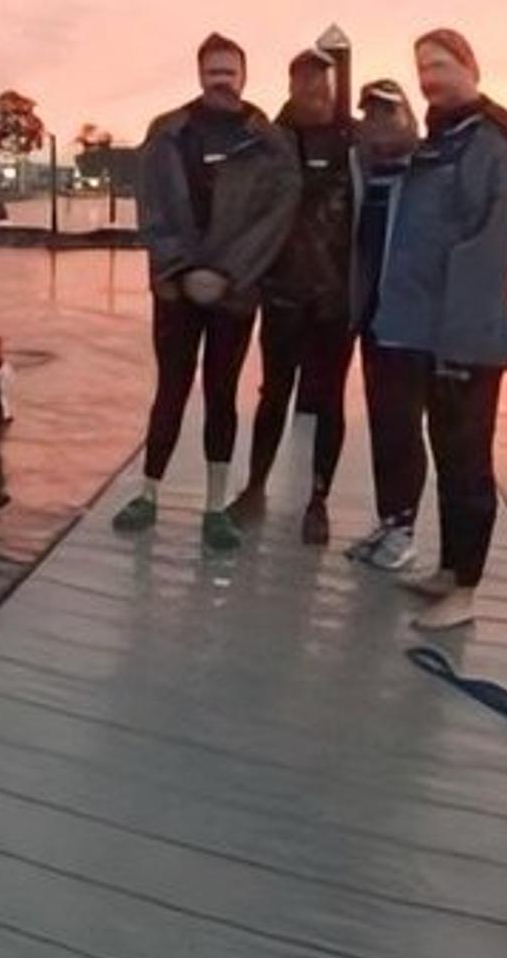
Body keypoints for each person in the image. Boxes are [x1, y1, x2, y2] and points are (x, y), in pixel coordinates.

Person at [368, 28, 507, 630]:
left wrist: (456, 344)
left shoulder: (492, 149)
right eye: (422, 68)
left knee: (468, 463)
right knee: (446, 453)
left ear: (472, 65)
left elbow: (489, 253)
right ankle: (446, 570)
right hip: (426, 330)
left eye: (441, 64)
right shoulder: (442, 142)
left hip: (467, 336)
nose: (431, 77)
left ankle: (465, 592)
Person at [114, 33, 301, 551]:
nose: (222, 78)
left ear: (244, 75)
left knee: (223, 394)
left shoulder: (269, 143)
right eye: (213, 70)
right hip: (175, 291)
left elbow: (276, 217)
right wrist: (180, 269)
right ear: (200, 74)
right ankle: (148, 493)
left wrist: (225, 273)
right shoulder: (167, 132)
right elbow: (150, 207)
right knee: (170, 390)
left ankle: (214, 507)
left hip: (234, 293)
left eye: (230, 71)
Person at [229, 47, 355, 545]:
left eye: (321, 82)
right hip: (282, 295)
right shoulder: (271, 140)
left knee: (329, 402)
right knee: (272, 396)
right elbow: (241, 203)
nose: (313, 91)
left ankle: (317, 500)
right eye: (304, 81)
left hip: (336, 300)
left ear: (330, 84)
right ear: (290, 85)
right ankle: (255, 488)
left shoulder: (356, 140)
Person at [342, 79, 427, 571]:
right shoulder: (363, 168)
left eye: (388, 113)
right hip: (370, 316)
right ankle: (387, 521)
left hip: (412, 320)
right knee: (381, 422)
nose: (378, 122)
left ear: (408, 116)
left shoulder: (427, 168)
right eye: (370, 114)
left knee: (405, 426)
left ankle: (406, 529)